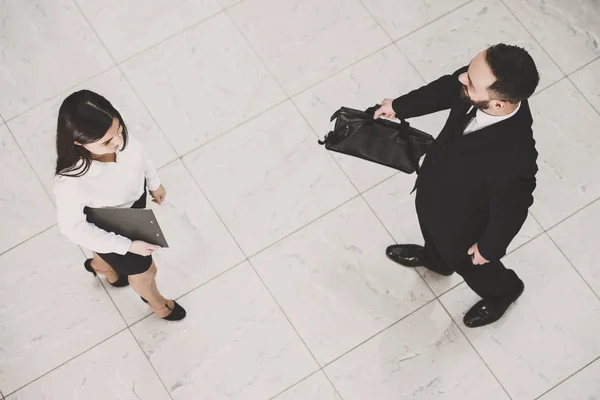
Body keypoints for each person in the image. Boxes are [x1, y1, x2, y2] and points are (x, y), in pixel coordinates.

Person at [375, 43, 539, 327]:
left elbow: (512, 209)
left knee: (470, 264)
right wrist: (399, 106)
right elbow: (444, 90)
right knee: (429, 226)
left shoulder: (516, 156)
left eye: (470, 81)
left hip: (464, 223)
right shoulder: (475, 83)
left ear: (498, 104)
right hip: (433, 187)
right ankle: (435, 261)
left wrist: (489, 248)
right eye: (468, 70)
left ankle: (504, 291)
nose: (462, 78)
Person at [53, 90, 186, 321]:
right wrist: (127, 245)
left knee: (131, 262)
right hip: (111, 224)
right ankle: (158, 305)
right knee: (147, 272)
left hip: (134, 204)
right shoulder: (70, 182)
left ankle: (102, 265)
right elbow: (73, 228)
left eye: (120, 131)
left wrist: (154, 183)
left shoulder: (117, 137)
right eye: (107, 141)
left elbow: (140, 154)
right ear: (78, 142)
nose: (118, 141)